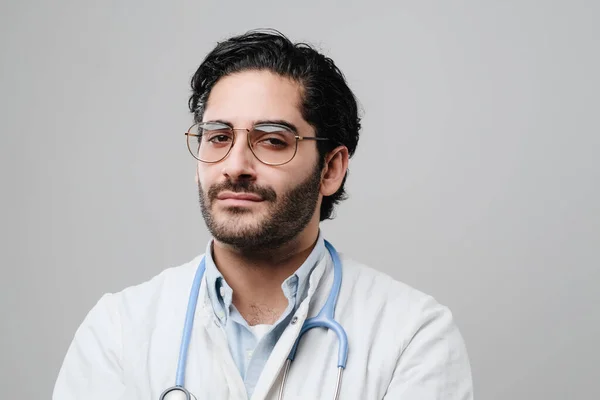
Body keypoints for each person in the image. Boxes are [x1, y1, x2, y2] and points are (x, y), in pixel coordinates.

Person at [53, 29, 473, 400]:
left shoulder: (412, 335)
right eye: (218, 137)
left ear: (330, 169)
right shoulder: (119, 330)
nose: (235, 164)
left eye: (272, 141)